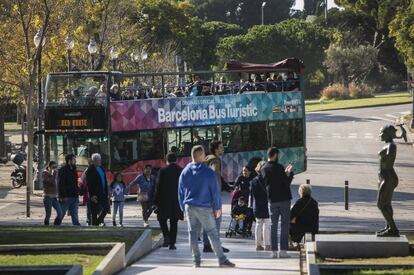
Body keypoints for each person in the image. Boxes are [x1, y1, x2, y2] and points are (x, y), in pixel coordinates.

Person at [178, 145, 235, 268]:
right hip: (204, 207)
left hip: (189, 207)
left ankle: (196, 261)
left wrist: (183, 207)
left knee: (193, 233)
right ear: (200, 155)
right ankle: (221, 259)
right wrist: (218, 208)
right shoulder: (208, 172)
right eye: (203, 154)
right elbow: (215, 192)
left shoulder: (185, 172)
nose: (205, 156)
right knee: (212, 233)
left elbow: (180, 191)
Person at [261, 147, 294, 258]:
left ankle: (274, 251)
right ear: (275, 155)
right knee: (284, 225)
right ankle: (283, 251)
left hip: (272, 200)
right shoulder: (280, 167)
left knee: (273, 225)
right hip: (284, 199)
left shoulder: (264, 168)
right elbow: (286, 182)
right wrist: (290, 173)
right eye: (278, 155)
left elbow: (267, 184)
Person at [203, 140, 229, 253]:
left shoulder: (206, 159)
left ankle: (207, 245)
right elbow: (213, 173)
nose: (223, 149)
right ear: (216, 149)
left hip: (204, 194)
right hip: (213, 195)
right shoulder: (215, 160)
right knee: (217, 220)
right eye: (221, 147)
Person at [153, 152, 183, 250]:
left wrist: (155, 201)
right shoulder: (181, 170)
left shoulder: (162, 171)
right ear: (176, 160)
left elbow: (158, 187)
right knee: (174, 222)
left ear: (167, 160)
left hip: (163, 201)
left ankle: (166, 236)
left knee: (162, 219)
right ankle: (172, 243)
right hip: (177, 201)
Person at [376, 125, 400, 237]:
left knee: (380, 204)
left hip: (388, 178)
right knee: (387, 203)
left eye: (382, 133)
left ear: (388, 134)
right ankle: (389, 227)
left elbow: (390, 157)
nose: (380, 135)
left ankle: (393, 229)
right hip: (385, 177)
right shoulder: (389, 145)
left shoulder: (391, 146)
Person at [84, 153, 110, 226]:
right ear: (94, 161)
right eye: (98, 160)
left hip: (103, 193)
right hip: (95, 194)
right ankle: (95, 226)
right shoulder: (90, 170)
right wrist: (91, 195)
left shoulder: (101, 168)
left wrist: (107, 191)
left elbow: (104, 180)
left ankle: (98, 222)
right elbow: (89, 184)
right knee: (94, 212)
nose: (100, 161)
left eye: (100, 160)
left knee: (106, 208)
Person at [251, 160, 271, 251]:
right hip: (266, 204)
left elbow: (252, 194)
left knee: (258, 224)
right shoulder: (267, 179)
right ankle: (267, 245)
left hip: (257, 204)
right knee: (266, 225)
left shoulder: (253, 181)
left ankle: (258, 245)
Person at [58, 154, 81, 226]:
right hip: (66, 196)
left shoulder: (74, 169)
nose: (75, 161)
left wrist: (78, 191)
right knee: (61, 214)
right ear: (69, 161)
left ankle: (77, 227)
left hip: (74, 196)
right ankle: (56, 225)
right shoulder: (63, 170)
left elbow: (75, 183)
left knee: (75, 214)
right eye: (74, 159)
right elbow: (61, 184)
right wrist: (63, 196)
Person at [42, 161, 63, 226]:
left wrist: (60, 195)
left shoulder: (56, 174)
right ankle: (46, 226)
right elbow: (50, 182)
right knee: (48, 214)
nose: (55, 168)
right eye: (53, 167)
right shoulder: (45, 173)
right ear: (49, 167)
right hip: (48, 196)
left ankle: (56, 225)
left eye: (56, 167)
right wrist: (54, 175)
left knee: (60, 213)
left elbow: (58, 185)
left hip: (54, 197)